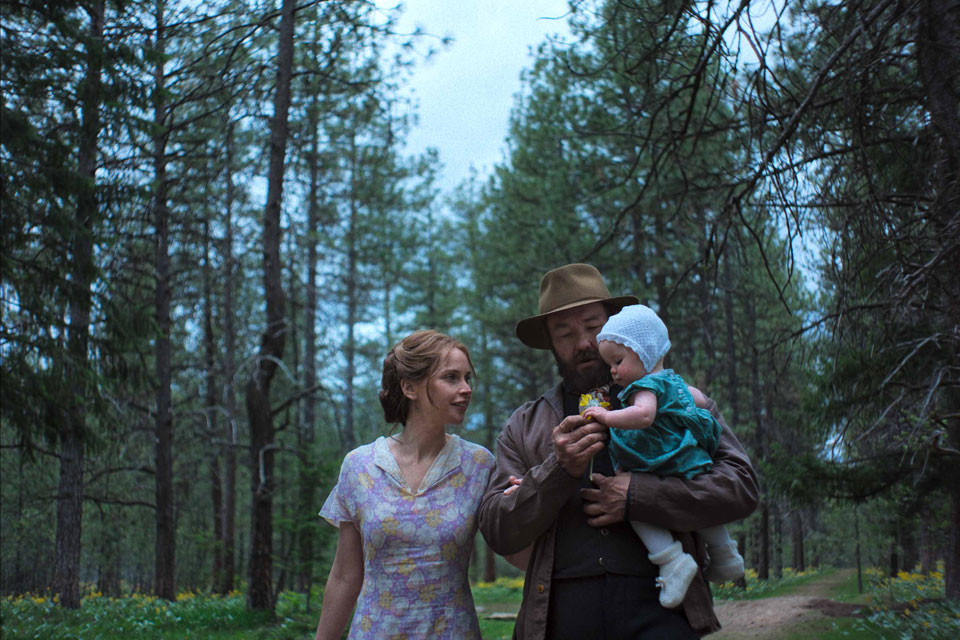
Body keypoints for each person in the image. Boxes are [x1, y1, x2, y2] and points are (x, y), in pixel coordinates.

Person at [478, 263, 759, 639]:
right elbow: (499, 531)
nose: (583, 343)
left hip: (664, 614)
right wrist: (556, 470)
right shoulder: (524, 426)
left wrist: (639, 496)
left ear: (614, 326)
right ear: (550, 343)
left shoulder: (676, 399)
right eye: (564, 333)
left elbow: (741, 487)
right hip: (560, 618)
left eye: (593, 327)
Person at [314, 330, 495, 640]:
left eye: (467, 378)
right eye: (451, 377)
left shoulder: (479, 465)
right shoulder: (360, 467)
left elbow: (519, 550)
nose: (466, 389)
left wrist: (530, 497)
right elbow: (345, 576)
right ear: (410, 387)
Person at [580, 304, 745, 608]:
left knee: (635, 505)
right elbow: (696, 401)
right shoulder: (676, 382)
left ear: (645, 352)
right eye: (610, 365)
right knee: (701, 509)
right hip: (688, 458)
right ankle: (724, 554)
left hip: (656, 460)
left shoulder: (643, 387)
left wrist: (606, 418)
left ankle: (671, 560)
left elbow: (643, 416)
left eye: (618, 361)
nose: (613, 371)